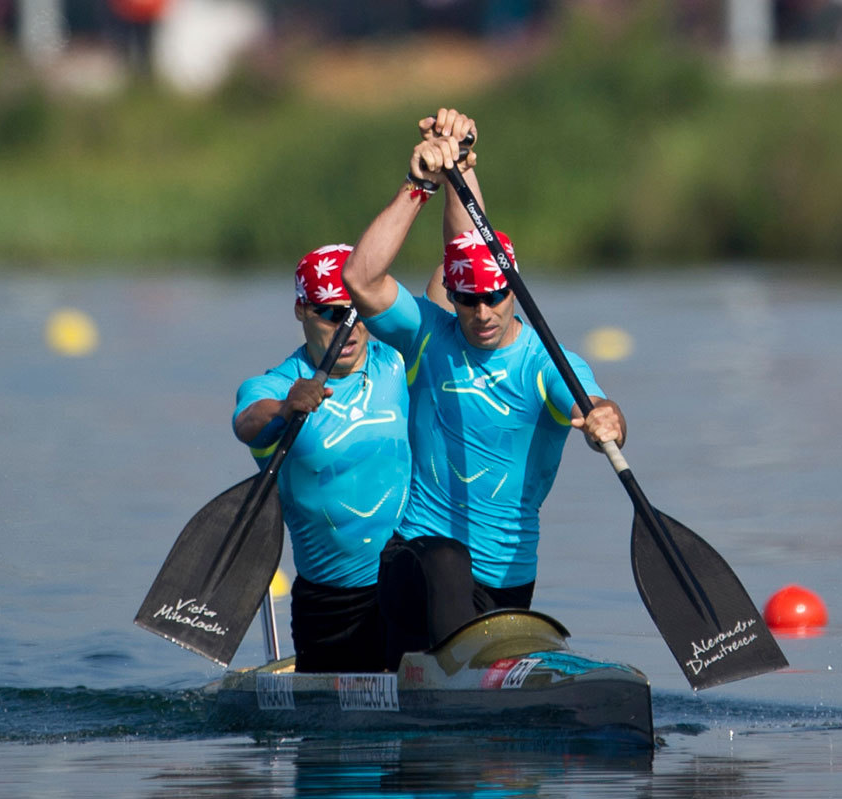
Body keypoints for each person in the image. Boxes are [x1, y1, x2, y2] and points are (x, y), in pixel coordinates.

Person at [343, 110, 627, 662]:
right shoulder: (428, 334)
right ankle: (445, 682)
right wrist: (419, 185)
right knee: (446, 560)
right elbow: (360, 280)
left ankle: (461, 683)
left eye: (494, 296)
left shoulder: (547, 363)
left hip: (506, 580)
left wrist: (606, 420)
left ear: (513, 290)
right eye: (467, 298)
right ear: (452, 292)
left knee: (470, 600)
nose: (481, 312)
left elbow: (594, 405)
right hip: (416, 564)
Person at [232, 244, 412, 673]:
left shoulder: (401, 362)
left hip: (405, 588)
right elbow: (246, 422)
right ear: (301, 311)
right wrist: (284, 408)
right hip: (330, 606)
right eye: (332, 314)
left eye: (356, 312)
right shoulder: (275, 385)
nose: (347, 327)